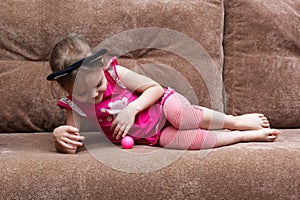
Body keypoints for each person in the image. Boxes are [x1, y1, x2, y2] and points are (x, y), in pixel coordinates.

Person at [47, 34, 279, 154]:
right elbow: (72, 142)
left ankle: (235, 122)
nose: (95, 94)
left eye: (97, 84)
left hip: (163, 107)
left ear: (100, 66)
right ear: (67, 91)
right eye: (83, 93)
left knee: (181, 116)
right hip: (154, 136)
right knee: (183, 142)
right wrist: (60, 137)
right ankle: (240, 137)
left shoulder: (114, 73)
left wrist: (132, 108)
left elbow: (154, 89)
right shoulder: (74, 105)